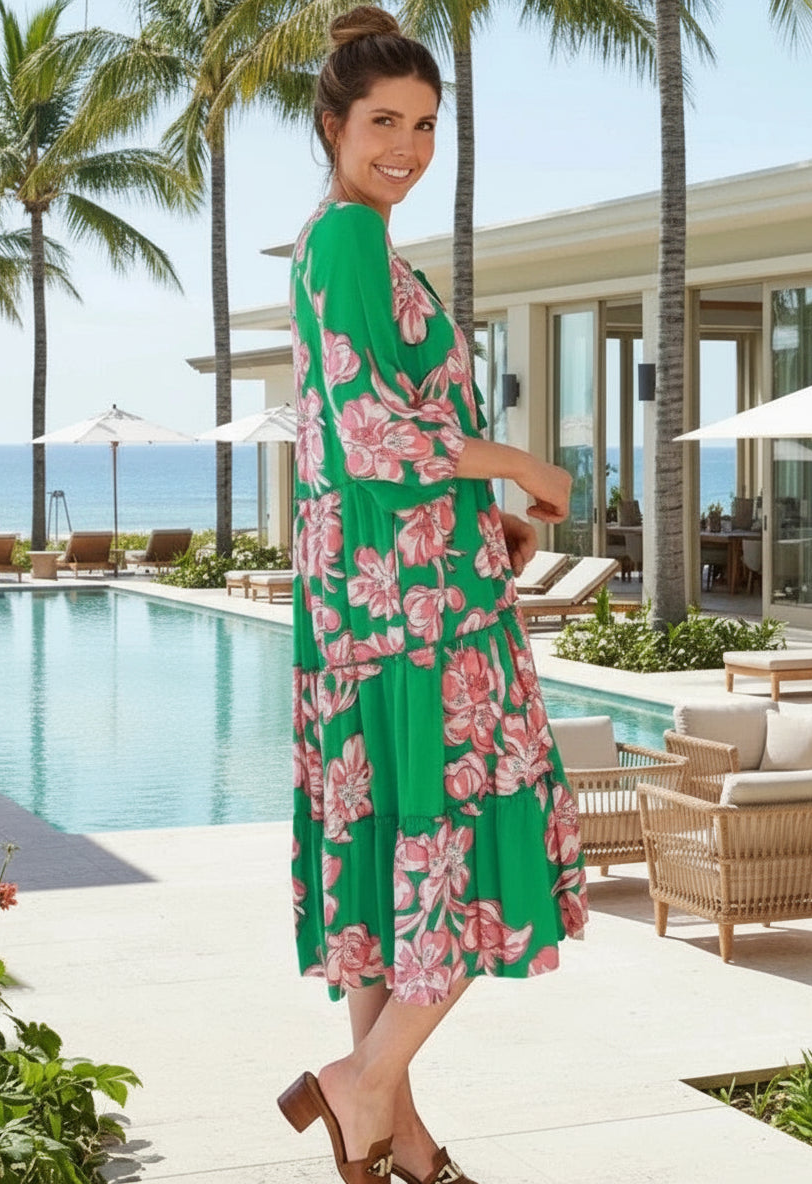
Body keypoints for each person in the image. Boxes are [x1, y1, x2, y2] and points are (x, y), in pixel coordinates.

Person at [279, 8, 588, 1183]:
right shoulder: (351, 240)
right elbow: (370, 431)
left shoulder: (347, 247)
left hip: (383, 597)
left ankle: (393, 1139)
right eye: (381, 123)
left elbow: (384, 432)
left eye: (423, 125)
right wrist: (520, 464)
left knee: (388, 869)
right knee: (479, 848)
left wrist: (486, 515)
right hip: (418, 618)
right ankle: (358, 1086)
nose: (404, 146)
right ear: (333, 125)